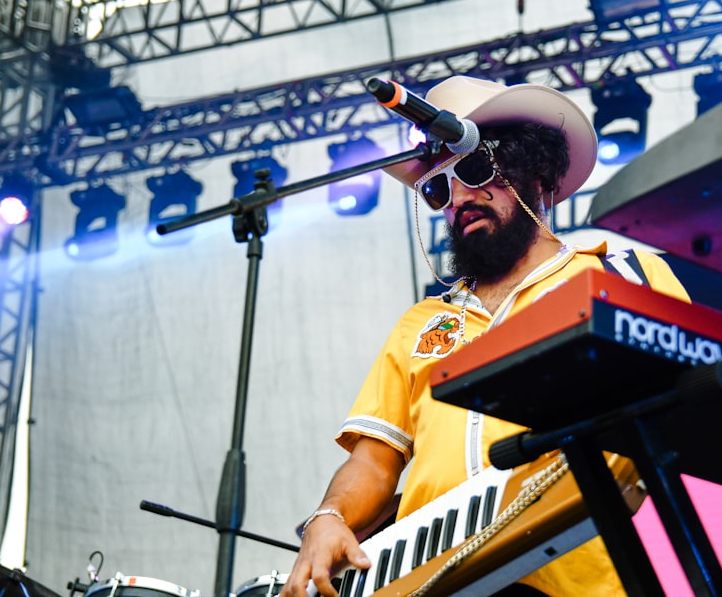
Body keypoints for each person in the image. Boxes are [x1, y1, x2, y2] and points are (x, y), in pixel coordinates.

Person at [284, 76, 690, 597]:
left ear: (537, 171)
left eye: (473, 170)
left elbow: (685, 417)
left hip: (579, 578)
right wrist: (329, 515)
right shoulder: (420, 323)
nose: (458, 198)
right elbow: (373, 460)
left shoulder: (623, 278)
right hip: (430, 583)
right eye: (438, 187)